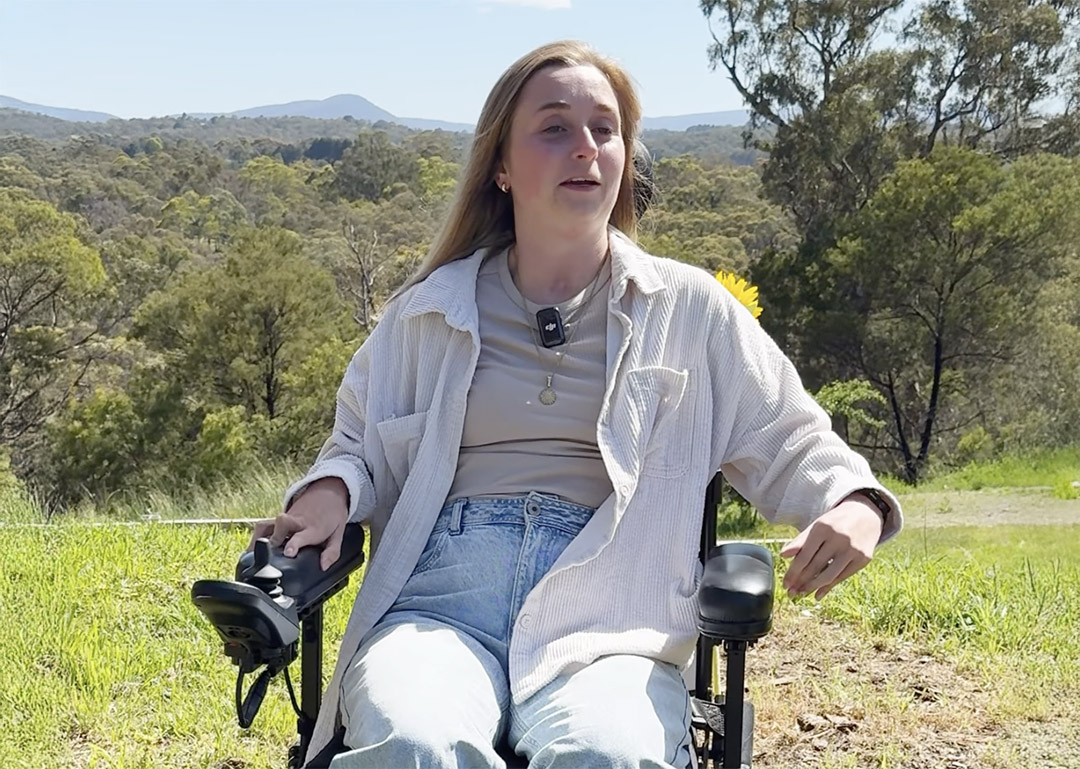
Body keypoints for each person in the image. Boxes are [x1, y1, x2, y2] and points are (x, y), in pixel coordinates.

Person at [249, 40, 903, 769]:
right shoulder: (428, 312)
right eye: (555, 127)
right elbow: (357, 445)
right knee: (415, 741)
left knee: (608, 752)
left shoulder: (689, 310)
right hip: (441, 597)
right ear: (500, 166)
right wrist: (331, 491)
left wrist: (856, 503)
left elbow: (791, 436)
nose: (585, 147)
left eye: (605, 129)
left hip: (613, 610)